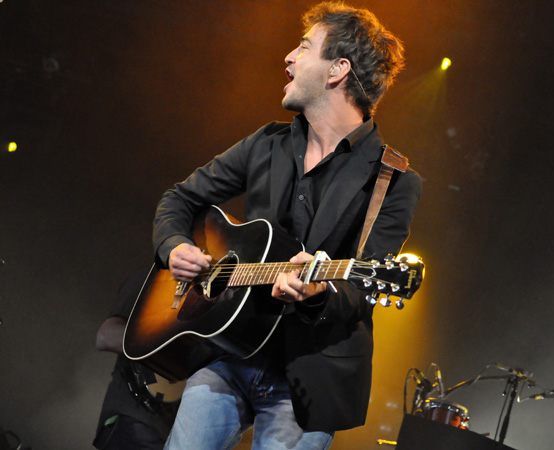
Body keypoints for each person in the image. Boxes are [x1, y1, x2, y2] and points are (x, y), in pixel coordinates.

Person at [152, 2, 422, 448]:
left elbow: (360, 289)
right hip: (228, 353)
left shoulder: (392, 180)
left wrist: (317, 295)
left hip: (308, 380)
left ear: (337, 69)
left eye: (304, 47)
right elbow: (179, 199)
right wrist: (175, 246)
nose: (289, 57)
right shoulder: (266, 143)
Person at [93, 271, 180, 450]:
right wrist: (172, 348)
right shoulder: (155, 279)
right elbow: (107, 336)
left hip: (168, 434)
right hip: (133, 421)